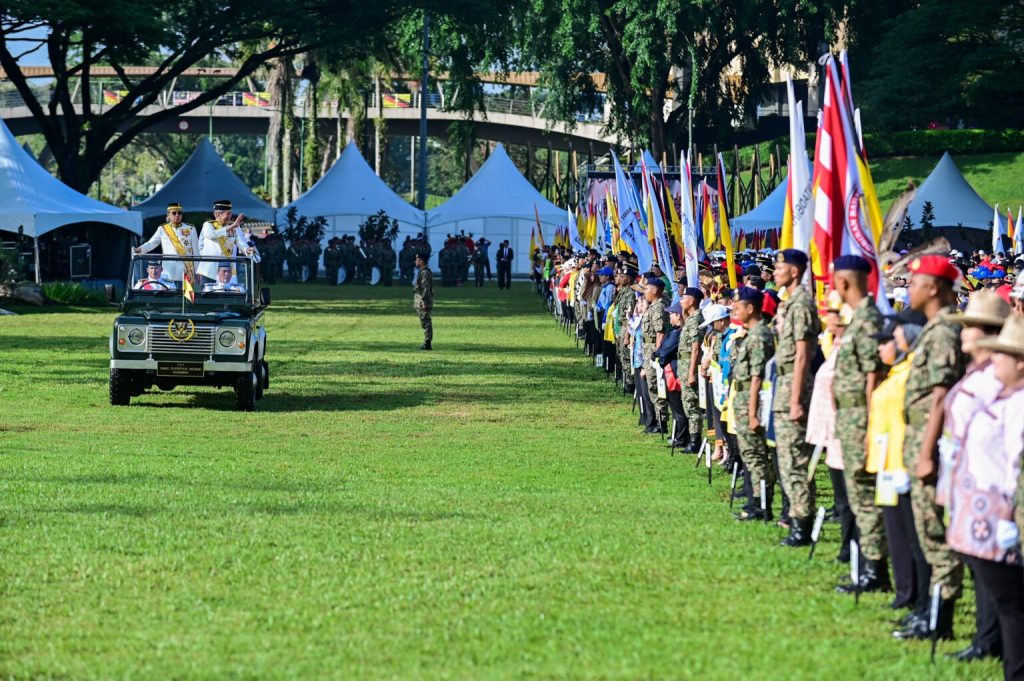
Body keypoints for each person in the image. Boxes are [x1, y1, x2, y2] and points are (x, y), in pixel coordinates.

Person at [893, 254, 966, 641]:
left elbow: (940, 397)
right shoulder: (935, 329)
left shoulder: (943, 333)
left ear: (934, 287)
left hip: (930, 445)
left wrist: (925, 453)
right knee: (925, 529)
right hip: (919, 440)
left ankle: (941, 619)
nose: (909, 288)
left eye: (915, 281)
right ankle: (929, 610)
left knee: (936, 534)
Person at [938, 290, 1011, 662]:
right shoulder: (976, 372)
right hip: (967, 479)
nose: (962, 332)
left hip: (990, 483)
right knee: (978, 564)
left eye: (969, 326)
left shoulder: (994, 378)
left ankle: (990, 640)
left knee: (989, 567)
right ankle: (988, 637)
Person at [955, 315, 1024, 679]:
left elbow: (1015, 463)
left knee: (1014, 607)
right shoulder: (1004, 396)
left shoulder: (1019, 405)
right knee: (1009, 604)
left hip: (1008, 511)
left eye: (1002, 357)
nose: (992, 362)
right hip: (990, 506)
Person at [831, 255, 889, 593]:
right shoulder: (860, 318)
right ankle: (869, 565)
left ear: (843, 283)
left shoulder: (867, 319)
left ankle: (874, 571)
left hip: (859, 418)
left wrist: (868, 424)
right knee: (857, 491)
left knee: (864, 495)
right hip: (850, 416)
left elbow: (873, 374)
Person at [772, 249, 819, 547]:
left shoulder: (801, 304)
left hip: (794, 384)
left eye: (780, 267)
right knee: (786, 457)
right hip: (785, 380)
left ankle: (802, 522)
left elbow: (803, 354)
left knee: (795, 459)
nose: (775, 272)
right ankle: (796, 513)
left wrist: (795, 399)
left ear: (794, 271)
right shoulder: (789, 304)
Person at [730, 285, 775, 521]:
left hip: (751, 400)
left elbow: (757, 376)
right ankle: (755, 500)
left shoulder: (760, 336)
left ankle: (761, 505)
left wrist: (752, 412)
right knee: (750, 454)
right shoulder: (752, 334)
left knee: (757, 456)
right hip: (744, 398)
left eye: (738, 307)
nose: (734, 310)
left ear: (751, 308)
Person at [134, 202, 199, 284]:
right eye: (174, 213)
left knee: (187, 297)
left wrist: (197, 271)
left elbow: (196, 252)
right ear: (169, 215)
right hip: (168, 271)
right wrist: (140, 249)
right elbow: (151, 243)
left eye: (179, 213)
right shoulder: (162, 229)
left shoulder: (190, 229)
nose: (177, 215)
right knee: (169, 295)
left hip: (186, 271)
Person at [641, 276, 670, 434]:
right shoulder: (653, 306)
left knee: (655, 386)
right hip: (648, 348)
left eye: (646, 289)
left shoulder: (658, 307)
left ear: (655, 290)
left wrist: (657, 355)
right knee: (651, 386)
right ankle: (657, 420)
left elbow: (660, 332)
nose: (645, 291)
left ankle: (662, 422)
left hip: (653, 348)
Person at [197, 200, 252, 285]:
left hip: (228, 269)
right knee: (208, 295)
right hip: (209, 269)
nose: (230, 216)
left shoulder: (234, 226)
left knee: (227, 295)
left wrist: (246, 249)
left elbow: (241, 242)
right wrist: (204, 259)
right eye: (227, 214)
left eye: (230, 213)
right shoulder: (208, 225)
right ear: (218, 214)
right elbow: (211, 235)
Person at [678, 287, 705, 453]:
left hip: (690, 365)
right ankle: (690, 436)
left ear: (692, 300)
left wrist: (691, 372)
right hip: (684, 364)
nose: (681, 301)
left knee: (692, 405)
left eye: (683, 298)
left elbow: (696, 349)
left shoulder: (696, 320)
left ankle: (695, 441)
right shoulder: (690, 318)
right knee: (687, 403)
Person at [413, 252, 434, 350]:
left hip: (424, 301)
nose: (415, 261)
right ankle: (427, 341)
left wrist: (424, 301)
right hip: (421, 300)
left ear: (421, 261)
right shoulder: (422, 271)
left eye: (417, 260)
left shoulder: (424, 273)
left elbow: (425, 288)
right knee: (424, 321)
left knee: (426, 321)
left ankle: (427, 343)